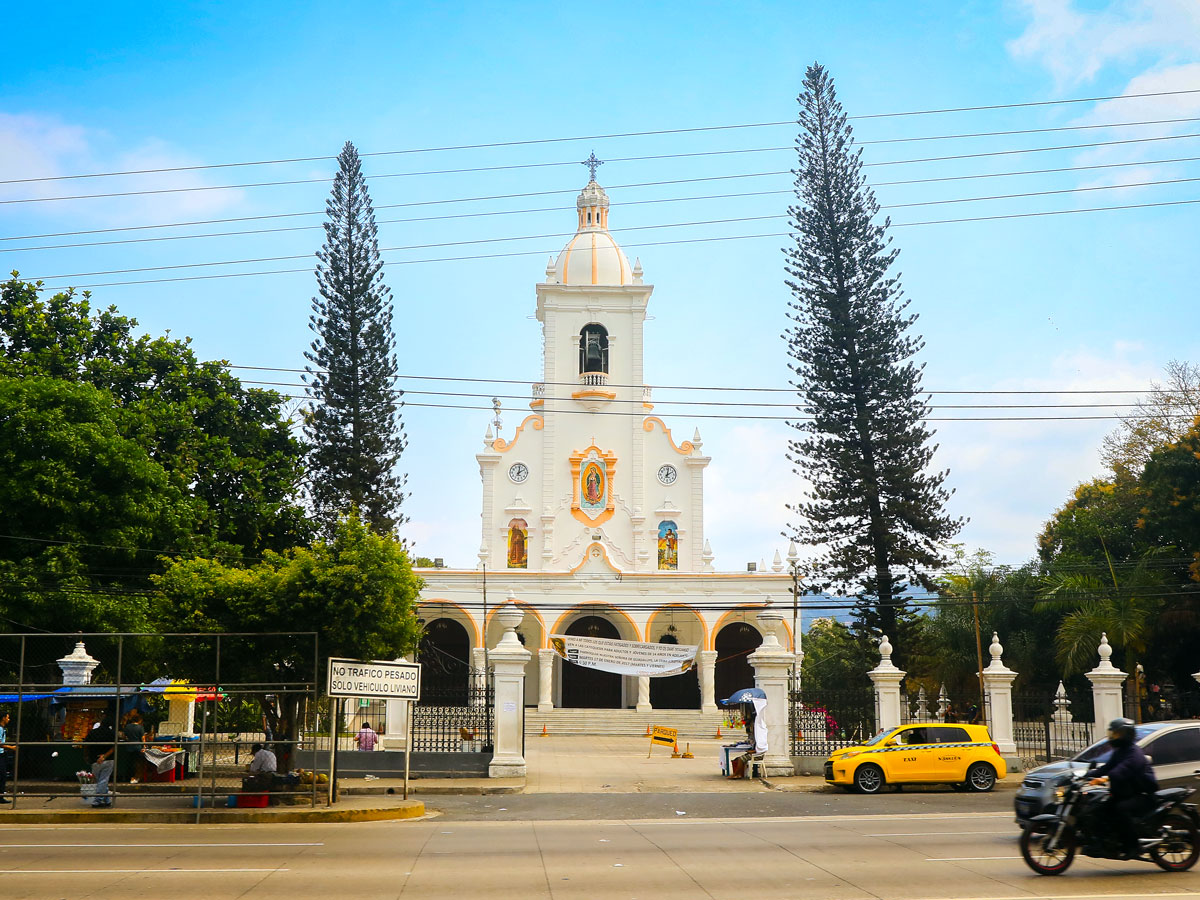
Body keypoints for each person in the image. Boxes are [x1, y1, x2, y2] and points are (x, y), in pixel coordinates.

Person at [1089, 717, 1159, 858]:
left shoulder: (1135, 753)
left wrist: (1105, 778)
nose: (1113, 737)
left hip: (1142, 795)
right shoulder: (1119, 751)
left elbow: (1122, 770)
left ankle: (1133, 846)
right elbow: (1108, 767)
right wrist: (1087, 774)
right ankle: (1105, 842)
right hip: (1124, 794)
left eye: (1117, 734)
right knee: (1099, 808)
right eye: (1113, 734)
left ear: (1126, 735)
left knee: (1120, 809)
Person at [85, 711, 116, 807]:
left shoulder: (92, 733)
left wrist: (87, 756)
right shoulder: (112, 734)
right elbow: (114, 747)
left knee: (100, 780)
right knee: (104, 780)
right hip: (108, 759)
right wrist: (105, 756)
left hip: (94, 759)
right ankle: (99, 800)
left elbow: (86, 745)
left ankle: (105, 799)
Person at [0, 710, 14, 804]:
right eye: (7, 717)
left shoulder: (2, 728)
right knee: (2, 775)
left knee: (2, 775)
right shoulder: (0, 729)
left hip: (2, 753)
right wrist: (10, 747)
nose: (8, 719)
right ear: (3, 718)